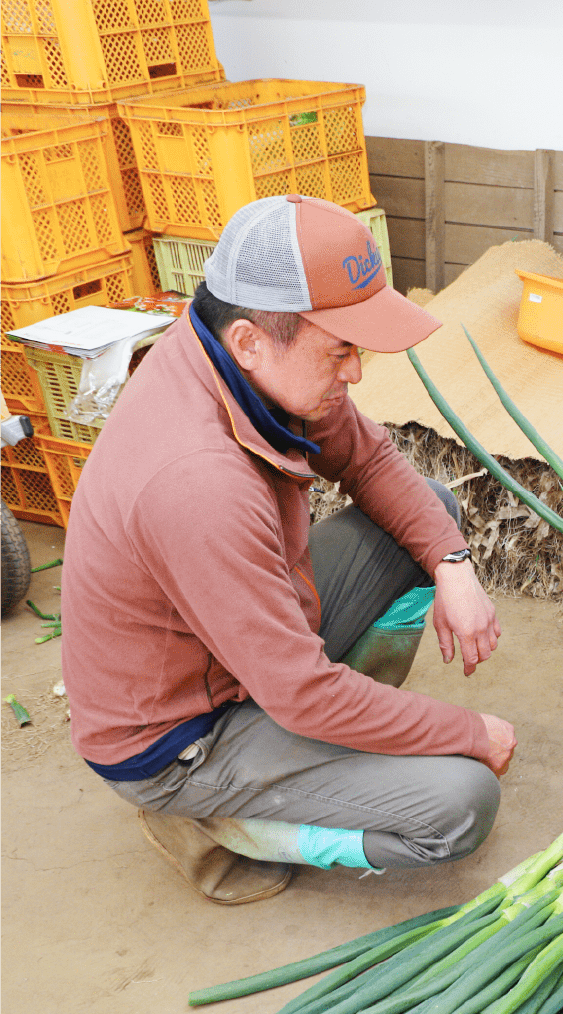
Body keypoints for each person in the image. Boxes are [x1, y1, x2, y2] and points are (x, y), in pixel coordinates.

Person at [62, 194, 517, 904]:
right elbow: (302, 693)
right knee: (461, 799)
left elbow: (368, 461)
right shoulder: (196, 479)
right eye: (340, 350)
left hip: (240, 653)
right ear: (249, 340)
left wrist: (453, 564)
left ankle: (333, 749)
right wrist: (465, 731)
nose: (357, 372)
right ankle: (219, 822)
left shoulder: (241, 362)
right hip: (181, 736)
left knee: (433, 514)